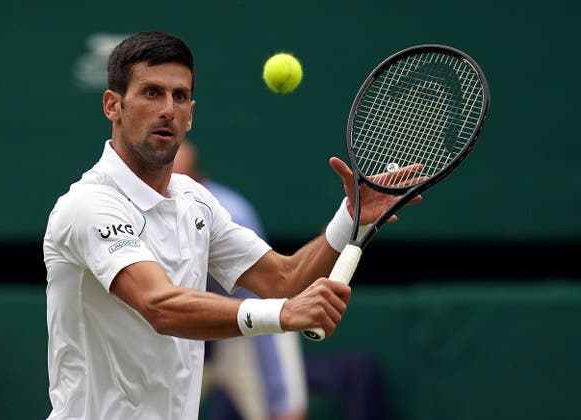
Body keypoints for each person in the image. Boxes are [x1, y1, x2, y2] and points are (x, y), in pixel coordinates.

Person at [43, 30, 423, 420]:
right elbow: (159, 306)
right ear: (113, 105)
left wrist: (350, 218)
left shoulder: (196, 201)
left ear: (191, 113)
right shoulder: (88, 205)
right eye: (151, 93)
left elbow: (283, 279)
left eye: (179, 96)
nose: (167, 110)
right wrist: (281, 314)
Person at [173, 140, 308, 420]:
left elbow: (265, 303)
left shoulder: (230, 214)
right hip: (182, 327)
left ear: (200, 181)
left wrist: (279, 399)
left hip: (246, 328)